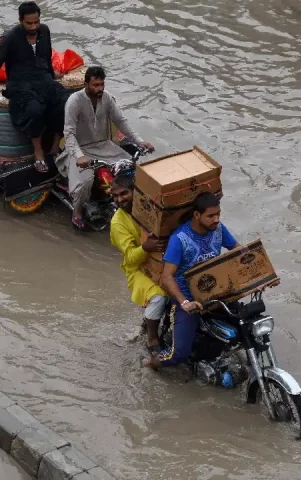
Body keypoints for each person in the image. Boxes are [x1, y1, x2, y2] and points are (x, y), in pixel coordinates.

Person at [141, 192, 240, 369]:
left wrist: (261, 278)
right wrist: (184, 302)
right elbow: (166, 276)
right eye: (211, 216)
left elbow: (238, 252)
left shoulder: (218, 229)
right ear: (197, 215)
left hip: (213, 293)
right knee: (178, 355)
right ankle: (150, 363)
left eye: (218, 214)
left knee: (243, 324)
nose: (216, 219)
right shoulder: (179, 239)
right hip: (187, 299)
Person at [0, 2, 69, 173]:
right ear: (20, 21)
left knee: (66, 100)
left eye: (36, 22)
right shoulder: (10, 37)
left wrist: (51, 73)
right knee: (33, 110)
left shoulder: (45, 31)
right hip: (20, 83)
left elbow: (46, 57)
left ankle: (55, 146)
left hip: (43, 79)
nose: (34, 27)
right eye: (29, 23)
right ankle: (38, 151)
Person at [60, 65, 154, 230]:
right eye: (95, 85)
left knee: (132, 169)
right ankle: (77, 211)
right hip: (79, 149)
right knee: (85, 182)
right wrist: (79, 155)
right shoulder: (74, 102)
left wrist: (140, 141)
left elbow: (121, 121)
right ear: (86, 84)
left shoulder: (108, 98)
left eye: (102, 85)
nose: (100, 88)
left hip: (104, 146)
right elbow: (68, 134)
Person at [109, 175, 169, 355]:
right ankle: (152, 338)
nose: (119, 199)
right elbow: (131, 258)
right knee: (159, 296)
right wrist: (146, 247)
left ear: (136, 192)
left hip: (164, 259)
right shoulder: (117, 223)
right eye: (115, 196)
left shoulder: (151, 206)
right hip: (138, 269)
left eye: (123, 193)